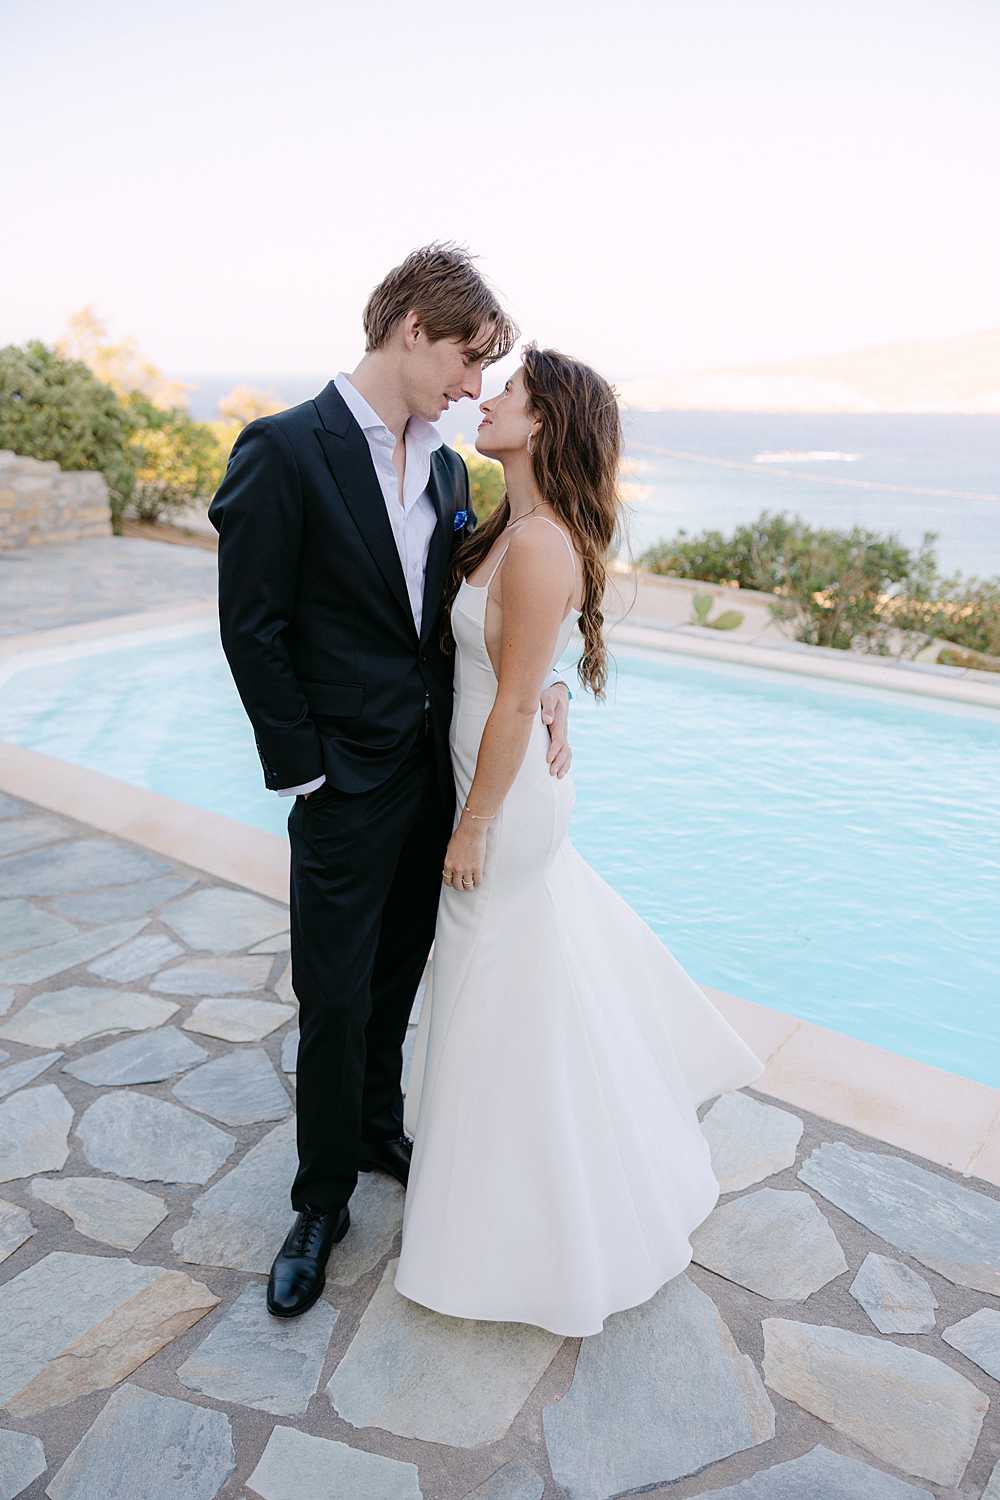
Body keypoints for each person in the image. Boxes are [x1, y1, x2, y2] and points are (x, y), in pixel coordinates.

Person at [207, 246, 573, 1319]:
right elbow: (252, 627)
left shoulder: (454, 475)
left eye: (486, 374)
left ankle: (376, 1124)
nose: (472, 387)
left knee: (400, 975)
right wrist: (307, 770)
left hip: (436, 781)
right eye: (468, 360)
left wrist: (541, 685)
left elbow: (479, 616)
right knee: (330, 995)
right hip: (344, 786)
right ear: (414, 325)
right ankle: (320, 1200)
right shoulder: (283, 450)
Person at [394, 345, 766, 1337]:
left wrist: (474, 822)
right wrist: (549, 688)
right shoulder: (503, 528)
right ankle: (500, 1173)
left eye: (508, 391)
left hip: (502, 807)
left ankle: (519, 1219)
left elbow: (515, 695)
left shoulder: (542, 542)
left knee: (493, 986)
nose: (488, 400)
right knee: (501, 991)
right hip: (488, 784)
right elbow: (521, 669)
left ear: (545, 420)